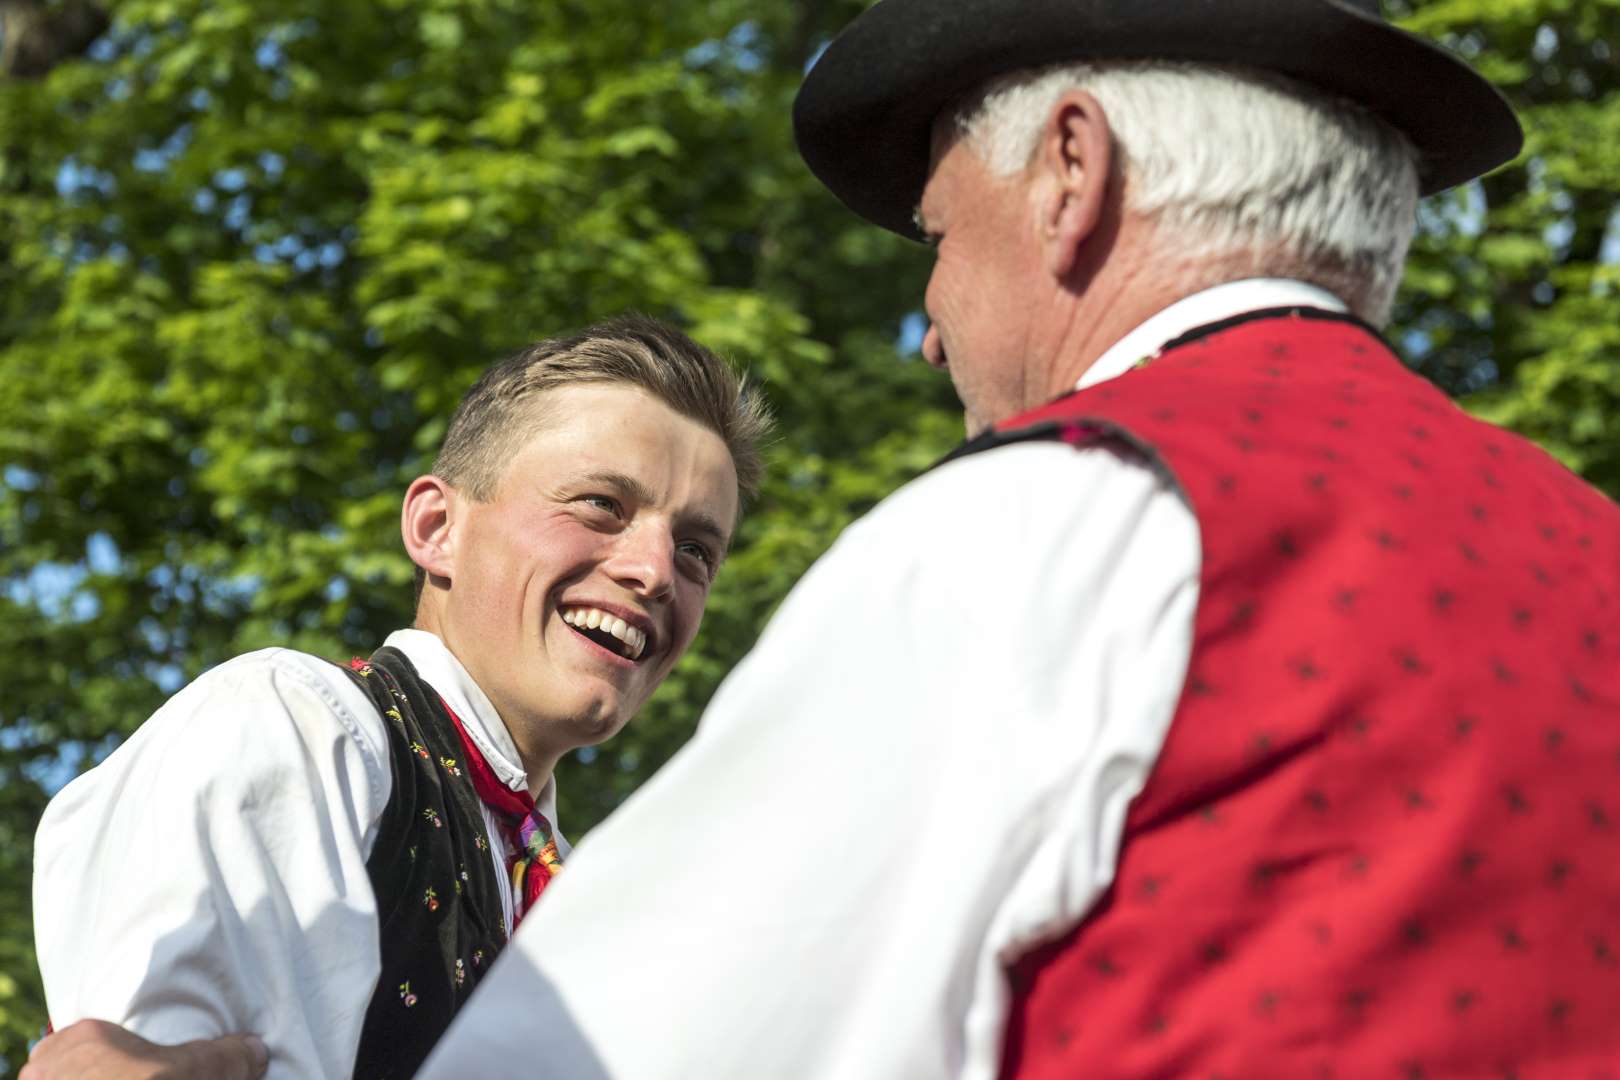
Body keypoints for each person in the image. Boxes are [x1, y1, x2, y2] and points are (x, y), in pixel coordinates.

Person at [35, 0, 1620, 1077]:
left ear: (1072, 174)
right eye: (601, 506)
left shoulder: (1058, 520)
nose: (929, 328)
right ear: (430, 527)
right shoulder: (1588, 550)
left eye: (937, 235)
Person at [28, 314, 771, 1080]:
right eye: (601, 505)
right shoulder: (302, 729)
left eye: (695, 550)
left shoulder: (592, 916)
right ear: (437, 527)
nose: (655, 571)